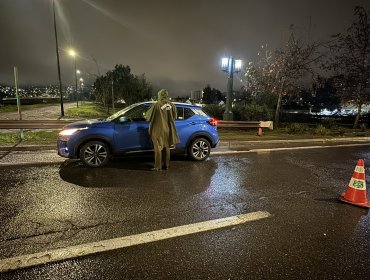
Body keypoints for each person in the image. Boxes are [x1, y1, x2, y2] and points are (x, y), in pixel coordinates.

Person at [145, 89, 179, 171]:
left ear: (159, 95)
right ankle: (166, 165)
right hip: (168, 130)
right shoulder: (172, 105)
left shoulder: (156, 105)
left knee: (158, 148)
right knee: (166, 147)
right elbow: (175, 116)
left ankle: (157, 166)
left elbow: (147, 116)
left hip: (158, 130)